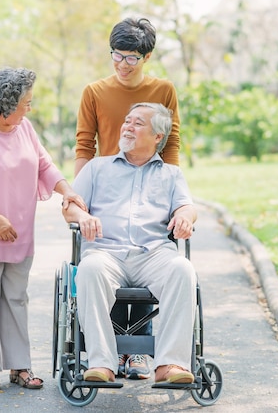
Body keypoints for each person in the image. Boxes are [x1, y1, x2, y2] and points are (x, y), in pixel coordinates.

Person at [0, 67, 86, 393]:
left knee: (16, 299)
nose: (29, 108)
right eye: (26, 102)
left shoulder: (24, 128)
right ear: (7, 104)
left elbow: (44, 164)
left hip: (19, 232)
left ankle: (20, 366)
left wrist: (67, 190)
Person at [74, 17, 182, 380]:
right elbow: (83, 145)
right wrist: (79, 200)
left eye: (130, 57)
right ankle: (107, 359)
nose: (121, 63)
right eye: (115, 55)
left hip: (148, 181)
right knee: (102, 266)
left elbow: (172, 144)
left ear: (146, 57)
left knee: (158, 263)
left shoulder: (163, 90)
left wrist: (170, 191)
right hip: (106, 184)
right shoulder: (94, 91)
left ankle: (145, 357)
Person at [63, 102, 197, 384]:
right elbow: (69, 208)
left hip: (153, 255)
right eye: (127, 121)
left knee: (183, 269)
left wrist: (184, 216)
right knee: (89, 270)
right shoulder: (97, 168)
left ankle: (170, 364)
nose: (128, 127)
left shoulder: (171, 174)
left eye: (138, 123)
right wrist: (82, 215)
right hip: (105, 253)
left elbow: (187, 207)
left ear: (158, 136)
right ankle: (102, 364)